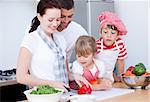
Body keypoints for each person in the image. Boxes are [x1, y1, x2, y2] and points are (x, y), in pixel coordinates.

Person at [16, 0, 69, 92]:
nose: (55, 24)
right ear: (39, 17)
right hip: (44, 95)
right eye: (50, 20)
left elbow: (64, 71)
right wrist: (52, 83)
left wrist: (75, 76)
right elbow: (21, 77)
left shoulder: (61, 39)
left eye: (58, 19)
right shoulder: (31, 40)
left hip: (64, 95)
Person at [96, 11, 128, 82]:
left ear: (117, 35)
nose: (109, 35)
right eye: (105, 32)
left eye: (113, 33)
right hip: (96, 76)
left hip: (110, 76)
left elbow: (120, 61)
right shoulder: (97, 44)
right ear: (100, 33)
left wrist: (120, 78)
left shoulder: (119, 44)